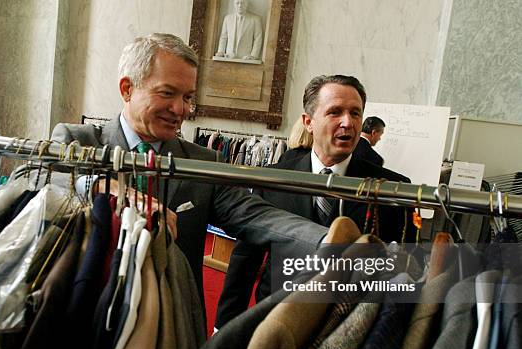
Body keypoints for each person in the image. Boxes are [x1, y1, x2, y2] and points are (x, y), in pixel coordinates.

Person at [50, 33, 328, 313]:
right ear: (127, 89)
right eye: (168, 93)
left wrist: (331, 242)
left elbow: (259, 217)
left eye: (188, 97)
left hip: (172, 325)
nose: (180, 109)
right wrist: (101, 187)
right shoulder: (78, 141)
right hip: (84, 314)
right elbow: (35, 180)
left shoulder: (203, 162)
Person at [215, 75, 413, 330]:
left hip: (348, 327)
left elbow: (399, 268)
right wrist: (224, 326)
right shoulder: (274, 178)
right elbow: (246, 260)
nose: (348, 122)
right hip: (277, 321)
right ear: (309, 122)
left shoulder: (391, 189)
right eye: (335, 112)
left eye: (355, 113)